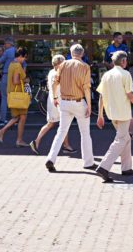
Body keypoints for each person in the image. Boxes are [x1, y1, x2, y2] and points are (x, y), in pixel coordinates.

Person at [95, 50, 133, 182]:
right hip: (123, 113)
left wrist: (100, 115)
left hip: (111, 112)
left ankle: (126, 168)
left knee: (125, 138)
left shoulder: (107, 75)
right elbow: (130, 95)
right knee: (121, 140)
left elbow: (101, 96)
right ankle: (104, 167)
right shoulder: (126, 74)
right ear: (124, 61)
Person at [45, 44, 94, 173]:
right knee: (85, 133)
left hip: (64, 102)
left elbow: (55, 82)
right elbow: (86, 88)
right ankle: (88, 162)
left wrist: (55, 97)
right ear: (82, 54)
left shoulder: (62, 65)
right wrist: (89, 105)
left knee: (61, 131)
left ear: (71, 53)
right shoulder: (85, 67)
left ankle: (51, 158)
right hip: (78, 101)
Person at [29, 55, 73, 154]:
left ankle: (66, 145)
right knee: (61, 124)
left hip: (53, 101)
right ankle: (65, 145)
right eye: (63, 63)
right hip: (58, 101)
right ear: (59, 64)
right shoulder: (57, 74)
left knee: (56, 123)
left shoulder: (51, 72)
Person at [0, 47, 29, 147]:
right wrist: (25, 81)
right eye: (24, 57)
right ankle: (18, 140)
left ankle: (3, 132)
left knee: (18, 117)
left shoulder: (11, 65)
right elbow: (15, 81)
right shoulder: (18, 66)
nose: (24, 60)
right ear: (21, 56)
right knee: (22, 117)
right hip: (18, 94)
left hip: (12, 94)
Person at [0, 38, 15, 123]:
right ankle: (14, 118)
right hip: (16, 76)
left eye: (5, 44)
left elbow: (0, 61)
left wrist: (3, 53)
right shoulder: (17, 51)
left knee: (4, 97)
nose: (4, 45)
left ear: (9, 44)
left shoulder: (7, 52)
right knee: (14, 97)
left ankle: (3, 118)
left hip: (7, 75)